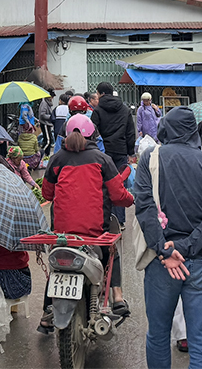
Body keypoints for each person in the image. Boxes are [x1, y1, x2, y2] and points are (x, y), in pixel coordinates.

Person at [134, 106, 202, 369]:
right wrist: (188, 247)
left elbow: (144, 208)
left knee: (158, 335)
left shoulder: (150, 157)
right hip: (201, 261)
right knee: (201, 342)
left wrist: (165, 250)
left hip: (162, 263)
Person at [39, 114, 134, 332]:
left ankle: (47, 312)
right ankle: (118, 298)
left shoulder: (56, 159)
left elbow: (47, 193)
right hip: (95, 232)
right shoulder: (102, 160)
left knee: (58, 262)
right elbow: (118, 195)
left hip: (64, 232)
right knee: (112, 252)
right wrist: (131, 199)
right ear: (93, 134)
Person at [90, 82, 135, 223]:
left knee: (103, 186)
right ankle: (119, 221)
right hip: (121, 151)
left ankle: (105, 219)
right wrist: (131, 152)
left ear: (100, 93)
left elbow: (93, 133)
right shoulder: (124, 109)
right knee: (119, 186)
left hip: (103, 154)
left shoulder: (97, 111)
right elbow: (130, 133)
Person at [15, 102, 42, 168]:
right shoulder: (25, 105)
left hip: (26, 124)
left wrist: (36, 119)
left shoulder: (27, 105)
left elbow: (30, 115)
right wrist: (29, 123)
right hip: (26, 124)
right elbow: (24, 115)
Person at [36, 89, 56, 155]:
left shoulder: (48, 103)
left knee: (48, 140)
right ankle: (40, 154)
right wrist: (50, 117)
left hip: (48, 124)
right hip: (45, 124)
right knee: (48, 141)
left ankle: (46, 155)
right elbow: (42, 114)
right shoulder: (44, 103)